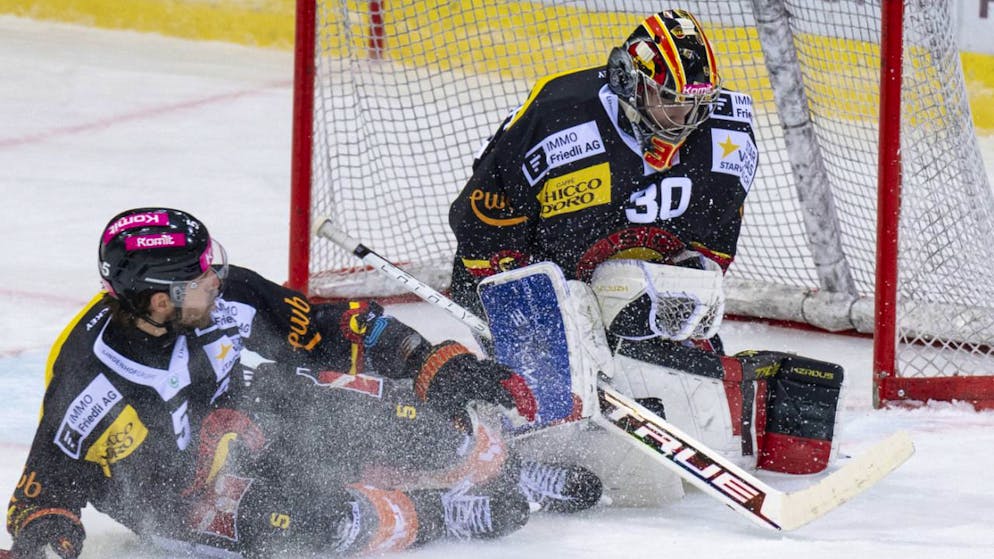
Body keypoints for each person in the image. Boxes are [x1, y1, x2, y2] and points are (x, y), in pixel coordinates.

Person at [5, 208, 599, 559]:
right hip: (184, 502)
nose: (217, 279)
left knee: (419, 423)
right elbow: (43, 497)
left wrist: (429, 360)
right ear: (160, 301)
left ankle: (504, 469)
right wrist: (45, 546)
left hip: (247, 416)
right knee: (313, 521)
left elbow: (324, 329)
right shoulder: (87, 385)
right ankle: (445, 512)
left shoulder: (225, 297)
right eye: (201, 275)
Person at [449, 9, 844, 503]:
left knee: (688, 362)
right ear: (628, 82)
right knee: (561, 384)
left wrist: (676, 318)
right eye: (671, 102)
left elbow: (710, 249)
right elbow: (479, 226)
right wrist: (544, 331)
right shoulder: (558, 117)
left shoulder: (726, 136)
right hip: (521, 274)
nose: (686, 119)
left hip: (619, 277)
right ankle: (516, 454)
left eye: (697, 105)